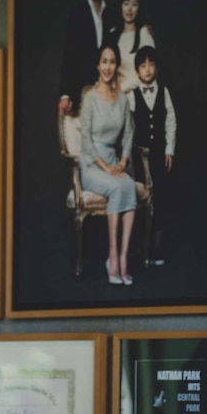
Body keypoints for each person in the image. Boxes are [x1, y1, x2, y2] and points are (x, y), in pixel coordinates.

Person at [79, 42, 138, 285]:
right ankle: (112, 257)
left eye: (112, 62)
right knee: (117, 187)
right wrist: (106, 168)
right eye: (104, 61)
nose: (108, 66)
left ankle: (124, 258)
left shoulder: (122, 99)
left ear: (116, 66)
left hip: (115, 162)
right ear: (98, 65)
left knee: (130, 187)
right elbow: (85, 139)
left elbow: (128, 134)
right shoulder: (90, 98)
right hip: (92, 165)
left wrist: (122, 163)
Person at [132, 45, 176, 266]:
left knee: (160, 198)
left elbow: (171, 122)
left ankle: (157, 246)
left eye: (151, 65)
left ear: (156, 68)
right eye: (143, 65)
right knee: (141, 198)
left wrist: (169, 150)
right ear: (137, 71)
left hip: (159, 155)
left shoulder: (164, 91)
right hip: (139, 158)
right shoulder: (131, 95)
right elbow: (127, 127)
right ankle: (140, 245)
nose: (147, 70)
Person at [58, 0, 116, 115]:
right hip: (82, 92)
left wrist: (142, 29)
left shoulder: (112, 15)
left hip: (108, 92)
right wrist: (65, 94)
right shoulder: (76, 15)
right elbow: (68, 57)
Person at [104, 0, 155, 108]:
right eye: (126, 4)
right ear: (121, 6)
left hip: (138, 100)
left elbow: (150, 72)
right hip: (114, 100)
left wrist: (122, 88)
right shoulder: (113, 34)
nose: (129, 9)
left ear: (139, 7)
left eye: (134, 4)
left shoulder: (144, 34)